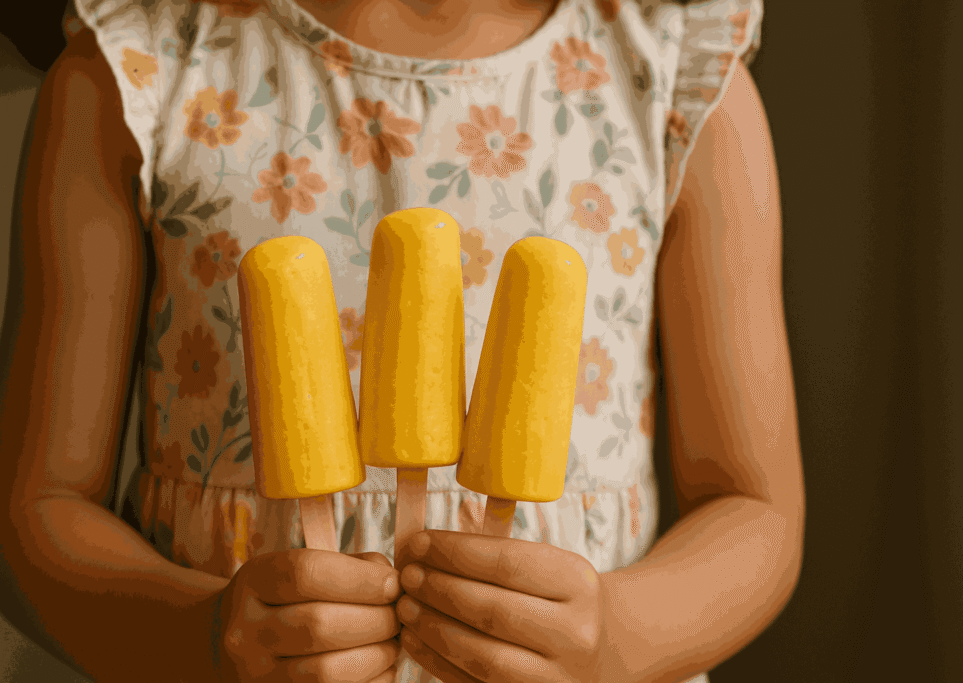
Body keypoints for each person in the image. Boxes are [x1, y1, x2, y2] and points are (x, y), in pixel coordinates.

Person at [0, 0, 803, 681]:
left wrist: (619, 636)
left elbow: (754, 508)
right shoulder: (130, 74)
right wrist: (201, 637)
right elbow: (34, 513)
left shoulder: (675, 78)